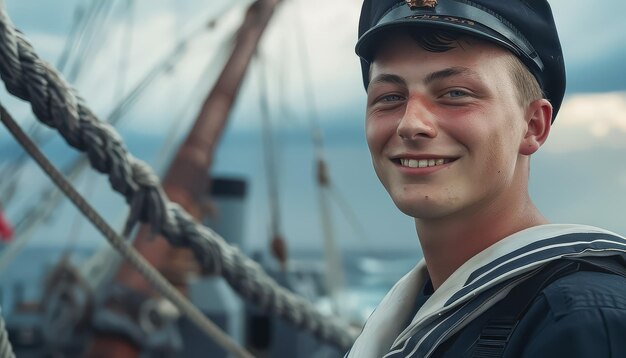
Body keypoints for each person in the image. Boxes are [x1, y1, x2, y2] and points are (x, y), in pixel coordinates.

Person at [347, 0, 626, 357]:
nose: (411, 123)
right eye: (390, 97)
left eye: (455, 94)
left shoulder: (583, 323)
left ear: (533, 126)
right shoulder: (415, 314)